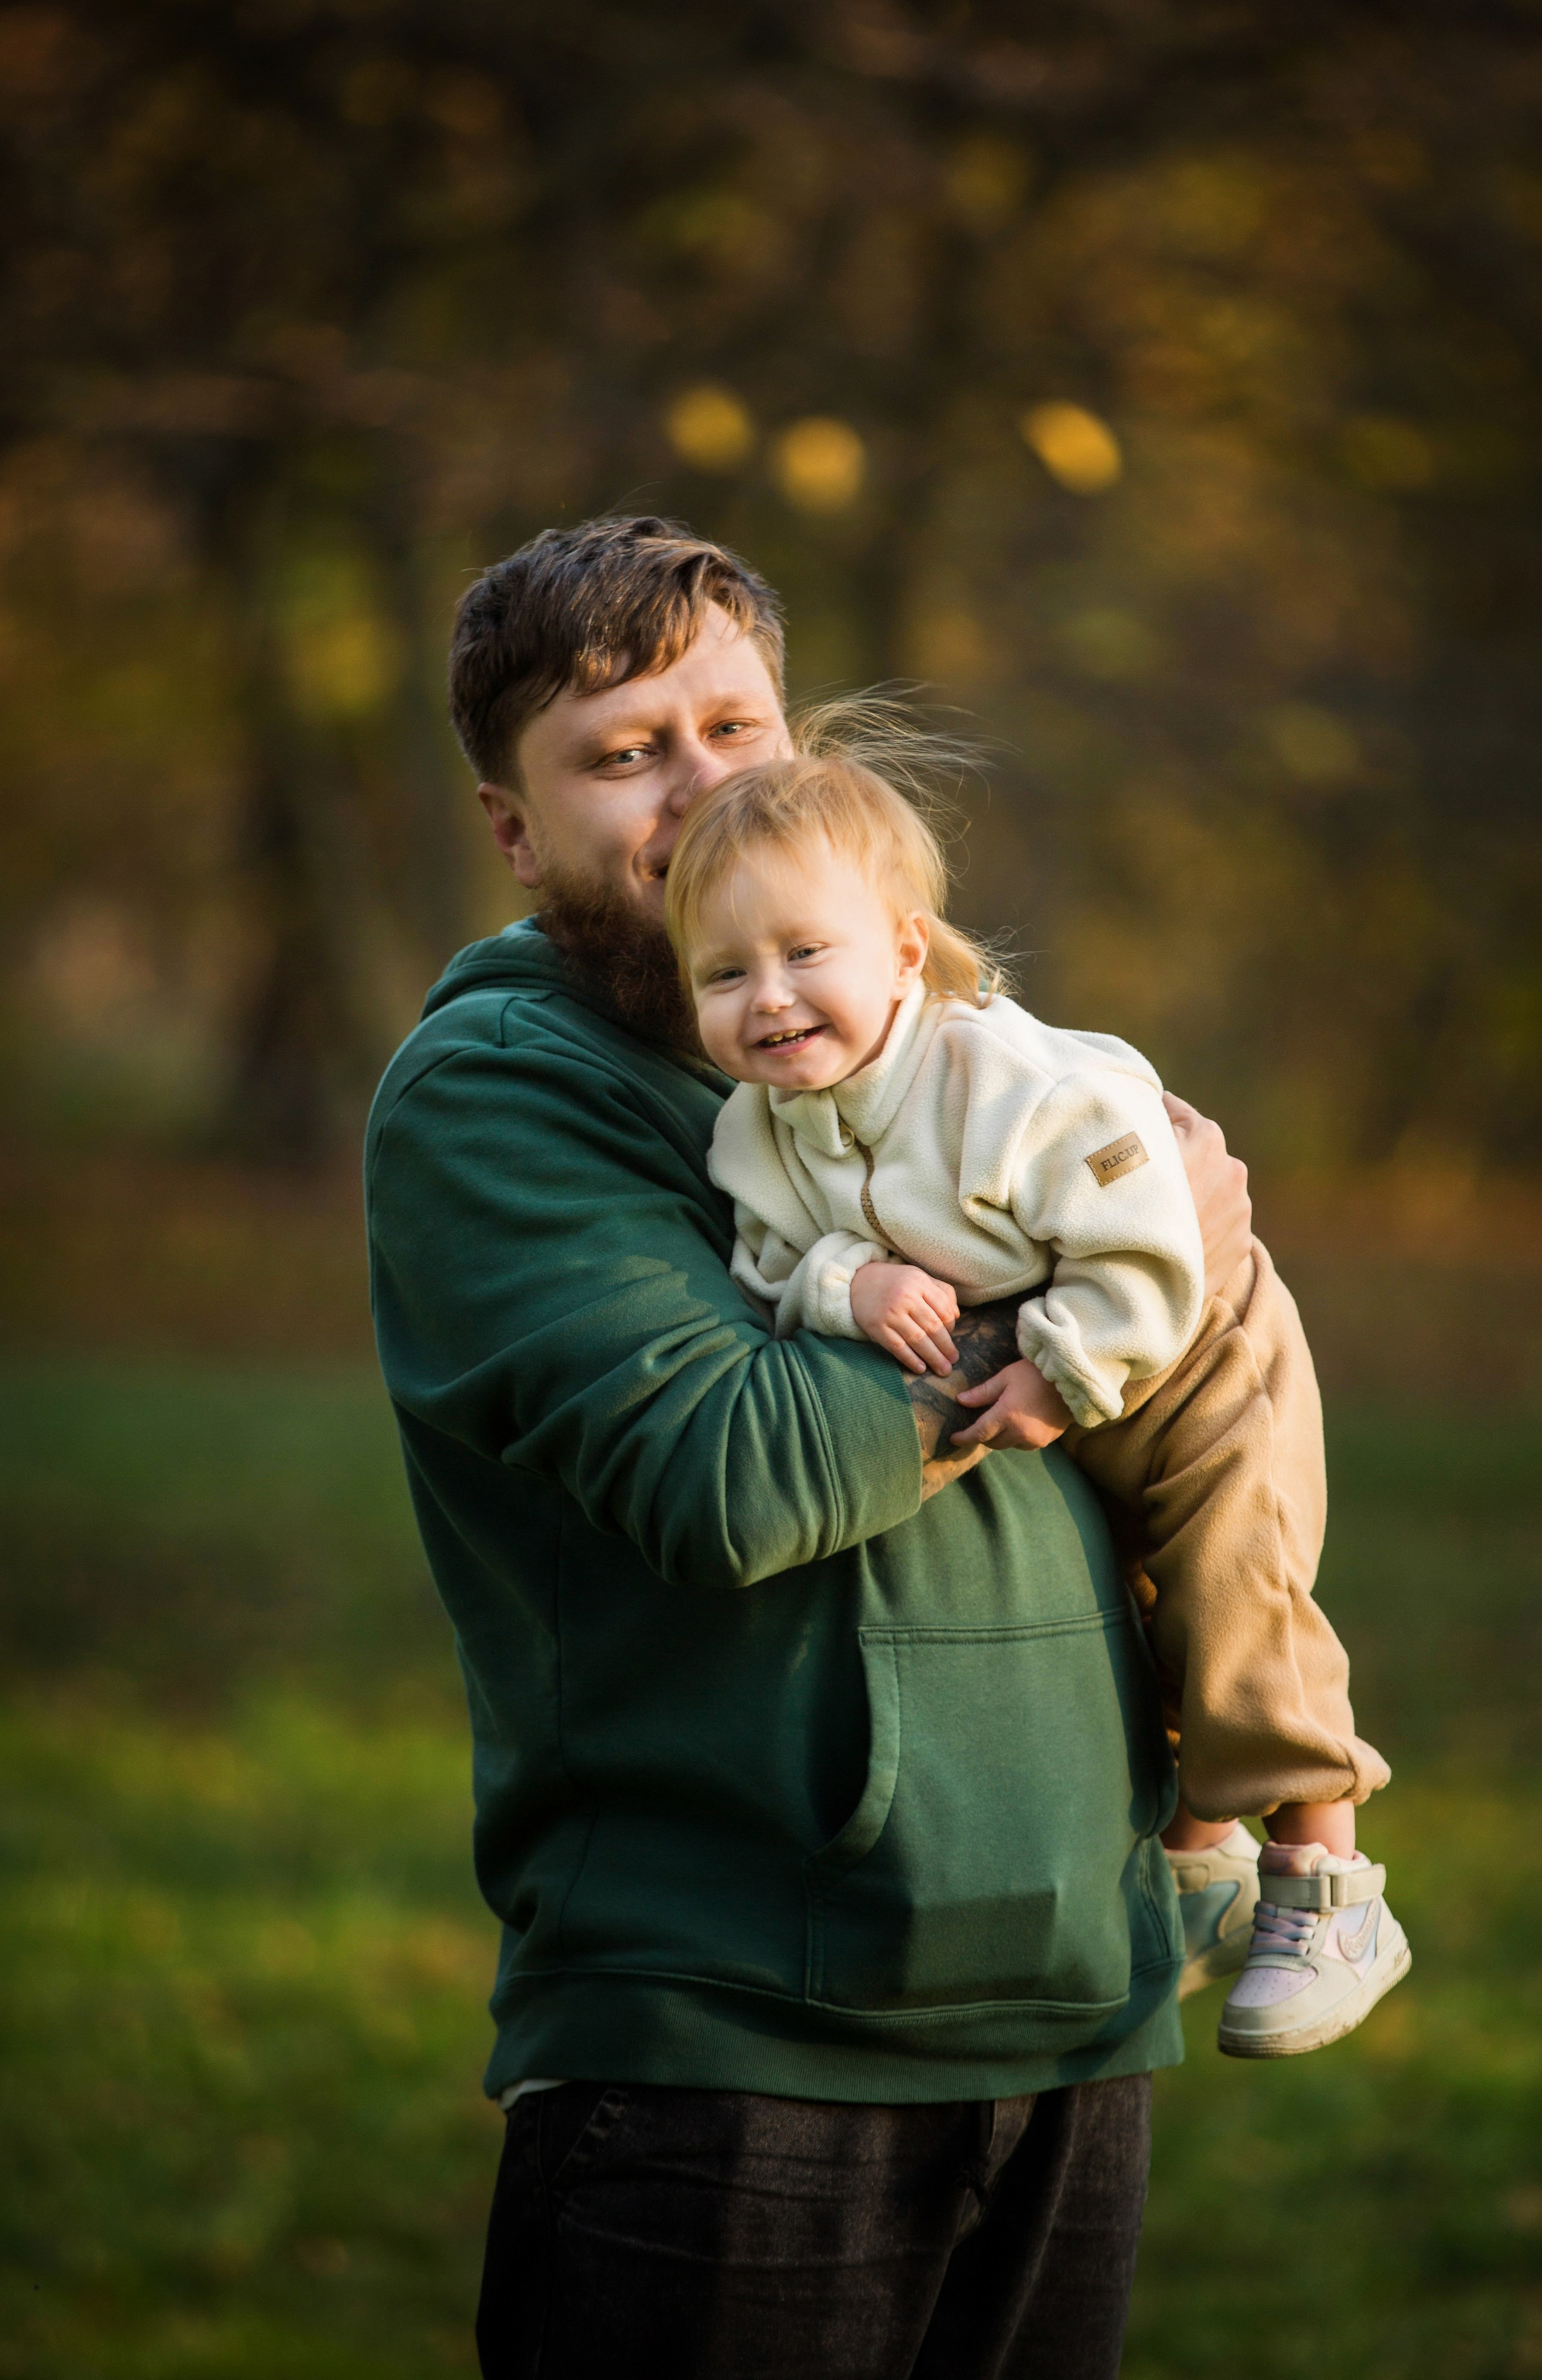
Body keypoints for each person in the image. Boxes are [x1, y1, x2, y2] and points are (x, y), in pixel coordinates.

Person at [366, 514, 1252, 2379]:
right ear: (517, 833)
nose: (701, 790)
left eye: (736, 727)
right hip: (731, 2044)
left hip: (1070, 2012)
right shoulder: (502, 1094)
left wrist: (1149, 1258)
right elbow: (735, 1476)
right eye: (626, 754)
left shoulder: (914, 1046)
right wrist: (1112, 1275)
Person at [666, 747, 1410, 2064]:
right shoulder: (757, 1129)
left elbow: (1152, 1238)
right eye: (724, 974)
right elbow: (768, 1265)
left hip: (1185, 1343)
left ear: (903, 954)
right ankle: (1200, 1860)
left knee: (1230, 1567)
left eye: (802, 955)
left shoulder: (1016, 1087)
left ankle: (1328, 1879)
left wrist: (1064, 1371)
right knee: (1125, 1597)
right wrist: (855, 1278)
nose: (767, 1000)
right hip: (1048, 1348)